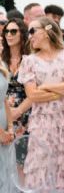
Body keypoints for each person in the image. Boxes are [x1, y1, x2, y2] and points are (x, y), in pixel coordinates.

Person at [18, 17, 64, 191]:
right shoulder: (29, 61)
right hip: (42, 123)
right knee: (41, 168)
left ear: (46, 31)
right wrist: (62, 89)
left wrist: (46, 87)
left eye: (32, 31)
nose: (29, 36)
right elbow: (33, 95)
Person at [1, 18, 31, 163]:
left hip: (26, 115)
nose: (9, 35)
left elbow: (34, 93)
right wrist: (9, 116)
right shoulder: (1, 59)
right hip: (4, 115)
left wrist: (18, 111)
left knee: (23, 162)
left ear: (22, 34)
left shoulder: (30, 59)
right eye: (6, 31)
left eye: (13, 31)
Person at [0, 52, 14, 192]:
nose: (2, 45)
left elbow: (4, 99)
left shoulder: (2, 65)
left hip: (4, 119)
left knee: (6, 168)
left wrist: (10, 127)